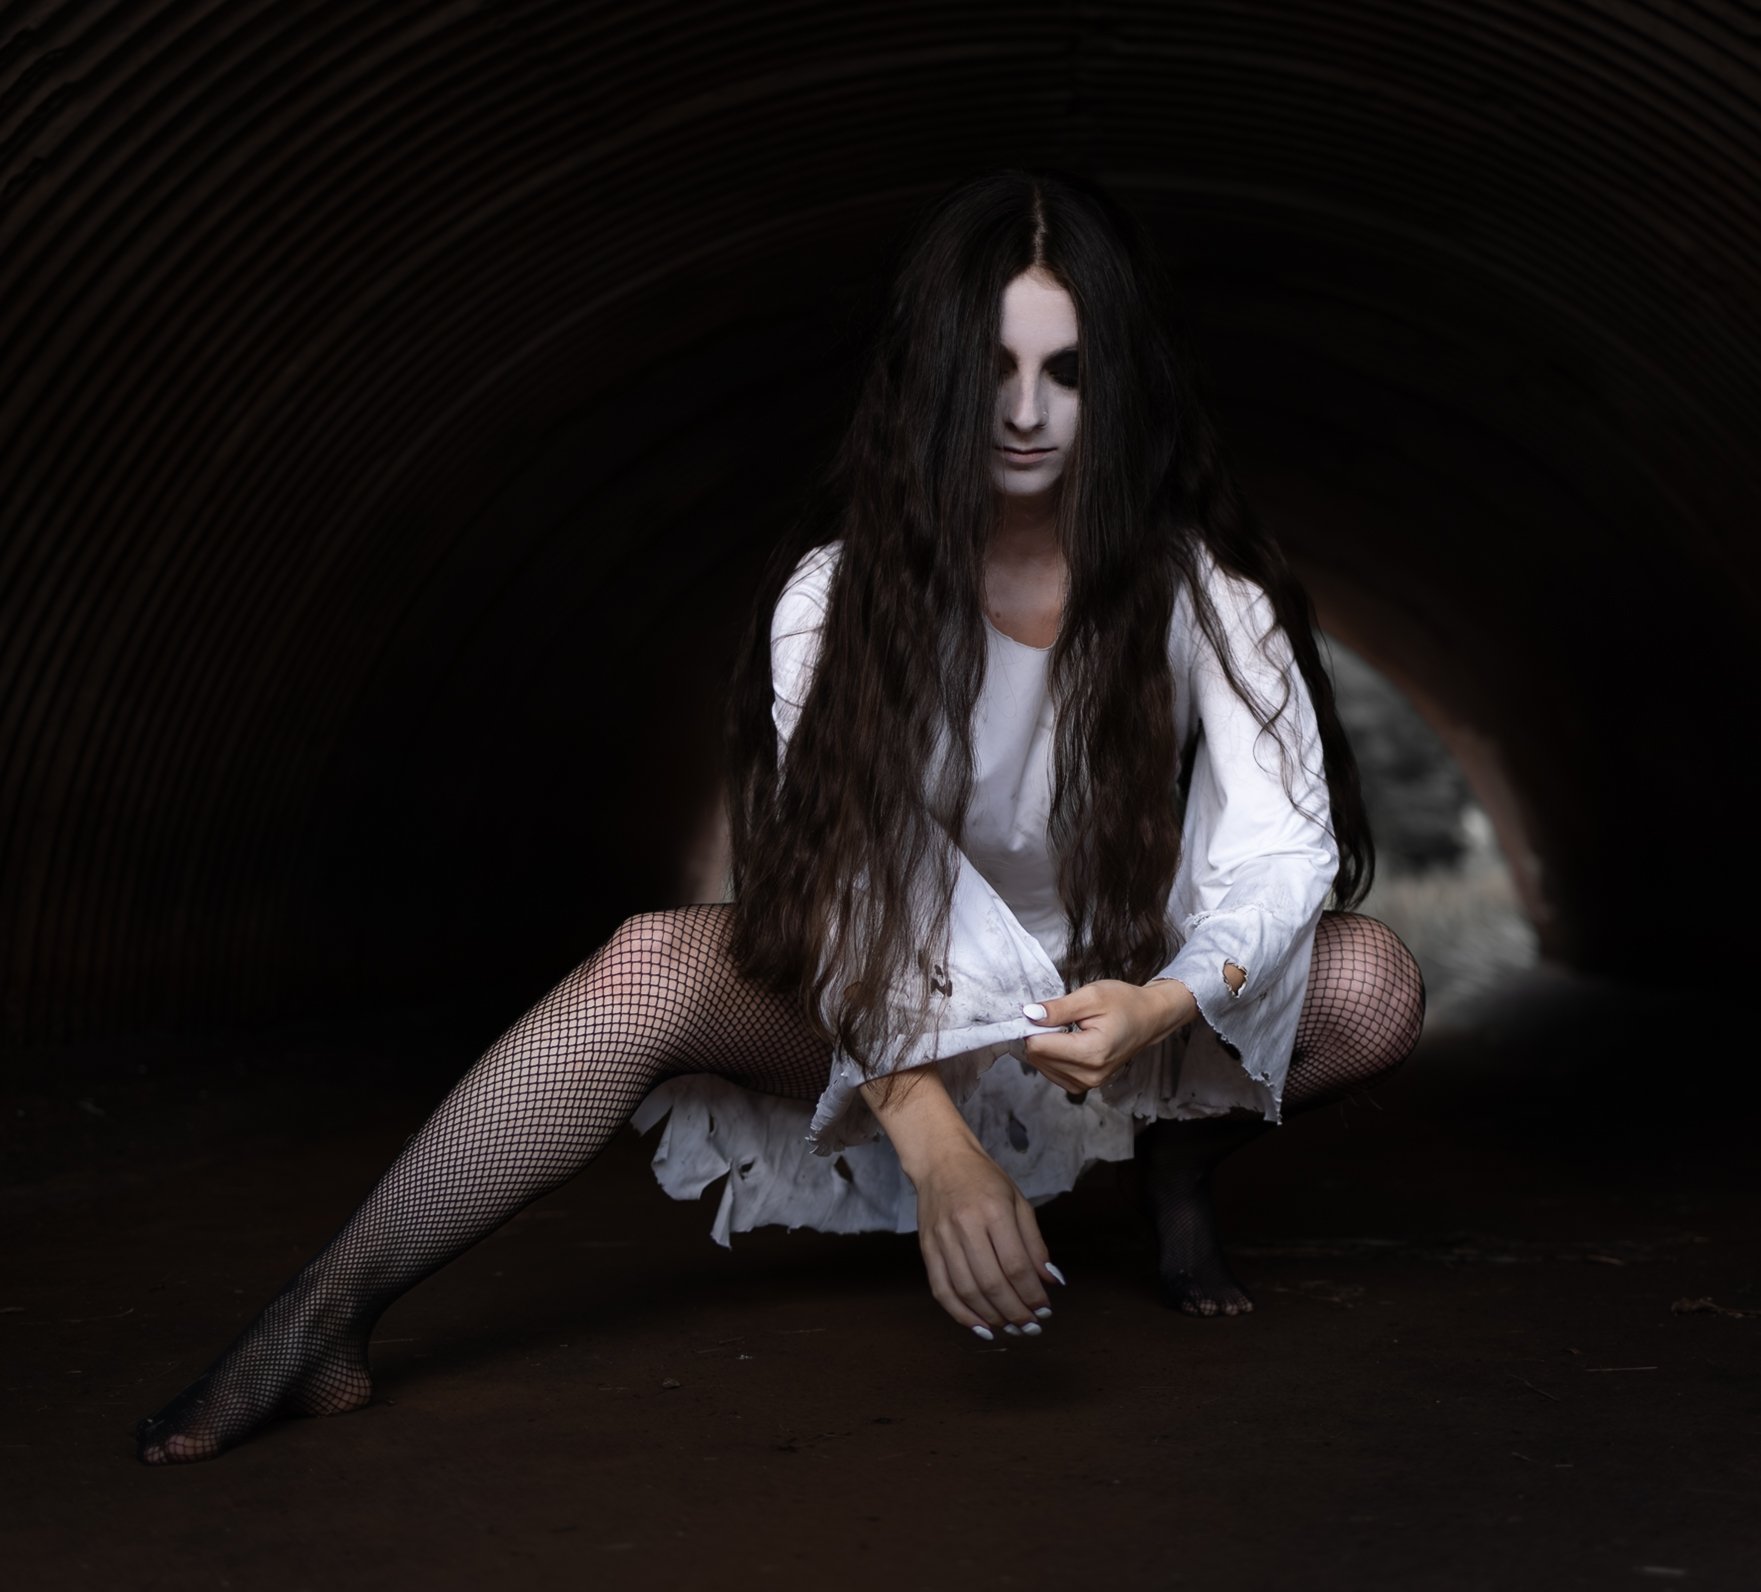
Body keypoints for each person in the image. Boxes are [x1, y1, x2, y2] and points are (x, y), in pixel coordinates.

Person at [134, 168, 1425, 1465]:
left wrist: (1164, 1004)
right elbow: (857, 881)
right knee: (645, 964)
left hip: (1113, 1003)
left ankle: (1178, 1161)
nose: (1026, 413)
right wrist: (931, 1138)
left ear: (1122, 382)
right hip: (896, 993)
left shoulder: (1206, 595)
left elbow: (1278, 849)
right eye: (991, 370)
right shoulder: (838, 596)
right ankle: (325, 1310)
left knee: (1372, 987)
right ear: (932, 373)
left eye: (1068, 372)